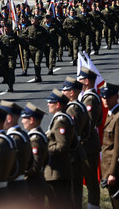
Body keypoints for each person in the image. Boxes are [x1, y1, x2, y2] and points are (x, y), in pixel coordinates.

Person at [62, 76, 90, 209]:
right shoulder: (79, 105)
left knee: (73, 192)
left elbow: (72, 134)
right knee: (76, 191)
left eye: (65, 90)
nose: (63, 92)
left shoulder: (72, 109)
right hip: (77, 153)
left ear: (72, 92)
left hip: (72, 155)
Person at [44, 88, 75, 209]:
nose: (48, 104)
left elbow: (62, 147)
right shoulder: (59, 119)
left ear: (57, 105)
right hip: (58, 172)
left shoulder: (61, 121)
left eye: (50, 102)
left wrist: (44, 148)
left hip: (58, 173)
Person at [78, 66, 102, 209]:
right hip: (86, 144)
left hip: (88, 145)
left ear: (86, 81)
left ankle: (93, 206)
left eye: (80, 79)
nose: (78, 82)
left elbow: (89, 123)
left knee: (91, 180)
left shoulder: (90, 99)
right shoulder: (87, 97)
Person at [0, 100, 32, 200]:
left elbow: (11, 167)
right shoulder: (23, 134)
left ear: (9, 118)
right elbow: (31, 162)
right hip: (20, 185)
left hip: (13, 187)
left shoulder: (13, 138)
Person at [21, 102, 49, 206]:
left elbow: (35, 167)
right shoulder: (39, 135)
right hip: (36, 183)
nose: (22, 121)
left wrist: (19, 173)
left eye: (25, 118)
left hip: (32, 185)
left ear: (31, 120)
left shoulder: (34, 139)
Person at [99, 82, 119, 209]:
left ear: (116, 97)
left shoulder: (117, 118)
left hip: (115, 172)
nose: (105, 99)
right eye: (103, 97)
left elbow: (117, 149)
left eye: (108, 96)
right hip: (109, 170)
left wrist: (112, 173)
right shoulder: (111, 114)